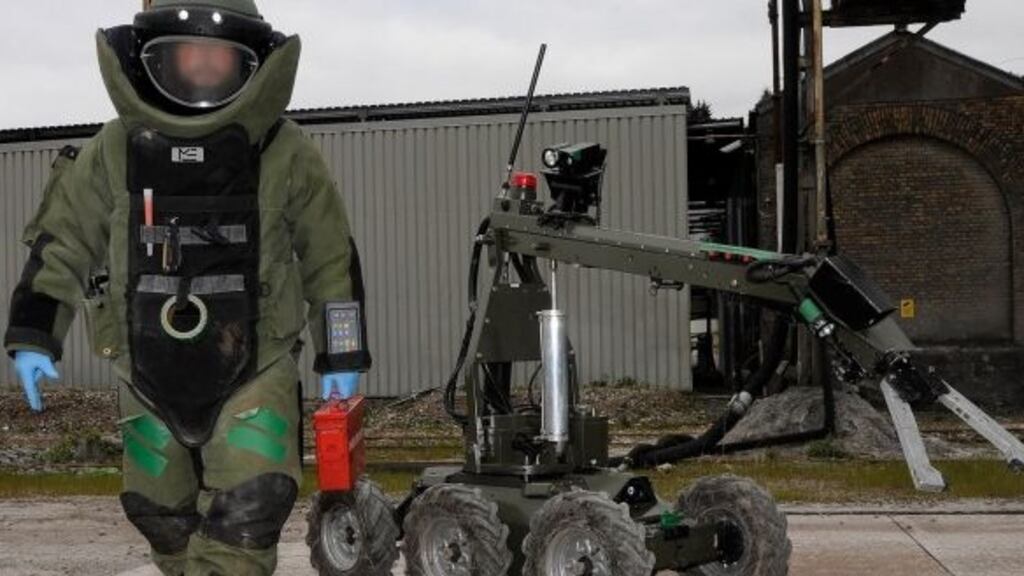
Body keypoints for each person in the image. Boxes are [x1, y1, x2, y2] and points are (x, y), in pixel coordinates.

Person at [3, 1, 371, 574]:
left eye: (218, 56)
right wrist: (33, 333)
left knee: (252, 504)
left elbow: (329, 255)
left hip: (256, 366)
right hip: (146, 371)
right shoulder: (114, 150)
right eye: (186, 54)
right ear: (152, 59)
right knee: (157, 511)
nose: (202, 68)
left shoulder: (283, 149)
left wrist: (340, 349)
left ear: (251, 65)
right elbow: (63, 243)